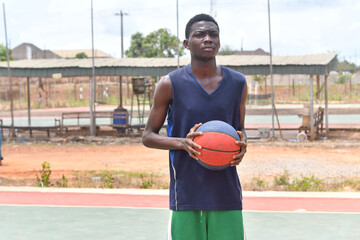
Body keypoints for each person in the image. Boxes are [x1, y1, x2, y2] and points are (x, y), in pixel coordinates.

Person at [142, 13, 248, 240]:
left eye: (214, 35)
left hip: (226, 191)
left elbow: (240, 129)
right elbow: (148, 136)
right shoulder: (170, 83)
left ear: (219, 42)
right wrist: (183, 143)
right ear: (187, 44)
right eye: (200, 34)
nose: (208, 39)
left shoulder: (238, 83)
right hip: (187, 193)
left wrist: (242, 144)